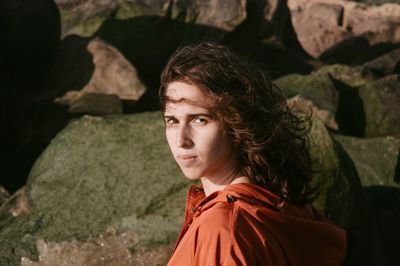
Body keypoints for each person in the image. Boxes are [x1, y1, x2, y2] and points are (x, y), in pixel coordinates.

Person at [159, 42, 346, 266]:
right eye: (172, 121)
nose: (181, 140)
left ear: (237, 122)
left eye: (200, 120)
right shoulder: (277, 207)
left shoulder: (223, 230)